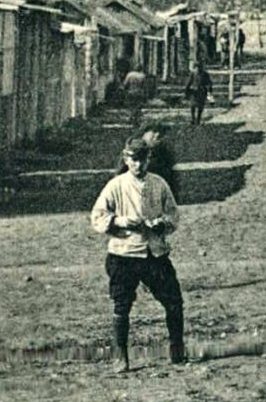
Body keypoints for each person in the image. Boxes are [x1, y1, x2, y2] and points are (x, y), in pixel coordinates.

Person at [90, 136, 186, 373]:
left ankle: (177, 349)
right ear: (126, 159)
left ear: (149, 159)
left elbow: (173, 215)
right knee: (121, 305)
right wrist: (121, 221)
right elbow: (97, 216)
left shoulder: (159, 184)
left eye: (142, 159)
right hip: (124, 253)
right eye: (133, 159)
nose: (138, 165)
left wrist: (161, 224)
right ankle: (120, 356)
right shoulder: (116, 185)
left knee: (173, 301)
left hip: (154, 253)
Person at [120, 60, 150, 128]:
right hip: (139, 93)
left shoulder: (130, 75)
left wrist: (124, 90)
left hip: (131, 92)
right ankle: (136, 119)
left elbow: (125, 84)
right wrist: (146, 95)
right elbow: (145, 87)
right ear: (141, 69)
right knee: (138, 106)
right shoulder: (142, 76)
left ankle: (132, 117)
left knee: (131, 105)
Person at [184, 61, 212, 126]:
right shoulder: (192, 74)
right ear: (194, 68)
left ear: (201, 68)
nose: (197, 69)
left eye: (199, 67)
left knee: (200, 107)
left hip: (202, 92)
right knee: (192, 106)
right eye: (196, 67)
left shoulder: (205, 74)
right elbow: (188, 83)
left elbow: (209, 83)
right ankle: (193, 119)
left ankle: (198, 119)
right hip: (194, 92)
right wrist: (186, 92)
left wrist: (209, 92)